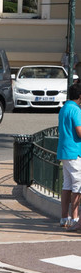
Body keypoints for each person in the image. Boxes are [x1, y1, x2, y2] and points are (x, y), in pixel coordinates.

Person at [57, 83, 81, 230]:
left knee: (67, 185)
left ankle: (64, 217)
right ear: (80, 96)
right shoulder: (76, 110)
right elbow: (79, 132)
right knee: (78, 185)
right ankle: (75, 218)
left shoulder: (64, 108)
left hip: (64, 151)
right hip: (74, 152)